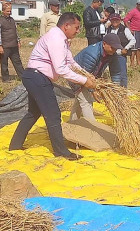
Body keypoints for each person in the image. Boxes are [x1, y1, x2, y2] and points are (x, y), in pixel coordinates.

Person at [9, 12, 97, 160]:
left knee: (33, 113)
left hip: (35, 77)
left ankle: (15, 145)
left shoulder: (62, 39)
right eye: (76, 27)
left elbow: (70, 62)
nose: (78, 31)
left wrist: (86, 74)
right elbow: (61, 69)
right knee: (54, 115)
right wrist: (83, 81)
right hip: (37, 77)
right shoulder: (56, 38)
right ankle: (61, 152)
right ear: (66, 25)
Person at [69, 33, 123, 122]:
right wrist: (93, 90)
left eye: (116, 48)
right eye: (112, 47)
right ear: (104, 44)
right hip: (76, 76)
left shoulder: (112, 54)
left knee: (80, 100)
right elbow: (86, 75)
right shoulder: (92, 54)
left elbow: (116, 72)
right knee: (86, 101)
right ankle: (93, 127)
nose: (114, 50)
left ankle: (72, 123)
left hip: (90, 77)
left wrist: (115, 90)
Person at [0, 2, 24, 82]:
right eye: (7, 11)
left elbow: (15, 31)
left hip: (13, 45)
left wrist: (18, 40)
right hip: (5, 46)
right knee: (4, 63)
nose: (9, 12)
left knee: (17, 62)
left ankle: (23, 77)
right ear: (3, 11)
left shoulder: (12, 20)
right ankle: (5, 78)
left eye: (10, 11)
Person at [106, 13, 136, 87]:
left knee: (122, 74)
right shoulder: (109, 29)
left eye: (116, 20)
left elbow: (133, 40)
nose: (115, 21)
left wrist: (125, 48)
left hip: (120, 55)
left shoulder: (125, 29)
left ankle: (123, 90)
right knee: (113, 73)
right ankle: (116, 90)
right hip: (111, 55)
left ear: (120, 21)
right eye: (113, 20)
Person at [123, 0, 140, 66]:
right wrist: (130, 29)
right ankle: (132, 63)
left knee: (139, 48)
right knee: (134, 48)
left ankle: (138, 61)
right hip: (135, 31)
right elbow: (126, 20)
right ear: (137, 5)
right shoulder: (133, 11)